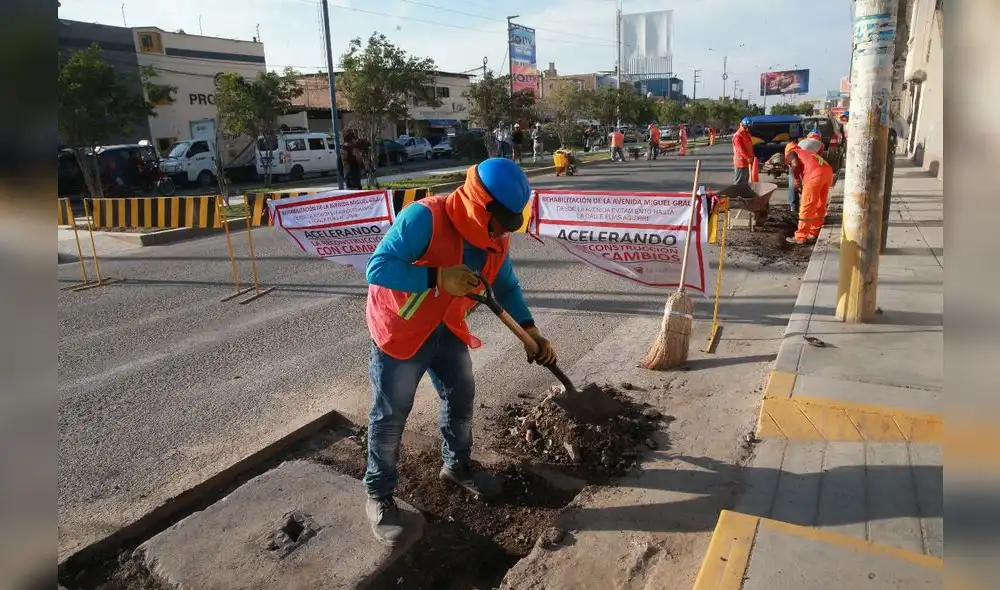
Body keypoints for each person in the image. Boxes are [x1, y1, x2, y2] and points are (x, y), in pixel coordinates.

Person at [362, 158, 558, 546]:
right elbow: (377, 267)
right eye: (499, 221)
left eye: (509, 223)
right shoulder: (426, 218)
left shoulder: (495, 239)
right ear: (478, 204)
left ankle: (457, 466)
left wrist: (532, 329)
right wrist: (436, 276)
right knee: (391, 414)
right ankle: (379, 495)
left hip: (447, 327)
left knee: (461, 393)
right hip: (401, 331)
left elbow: (506, 285)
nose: (504, 231)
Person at [785, 143, 834, 244]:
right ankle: (814, 231)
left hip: (815, 174)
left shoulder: (791, 153)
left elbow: (795, 164)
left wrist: (797, 180)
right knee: (820, 203)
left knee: (807, 204)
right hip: (828, 172)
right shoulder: (807, 153)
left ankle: (800, 236)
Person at [732, 117, 754, 184]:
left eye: (749, 127)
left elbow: (750, 147)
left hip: (747, 162)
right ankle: (735, 194)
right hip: (740, 162)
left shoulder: (747, 134)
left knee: (745, 181)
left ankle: (743, 194)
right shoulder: (737, 136)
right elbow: (740, 150)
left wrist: (752, 157)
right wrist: (748, 158)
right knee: (738, 181)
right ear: (742, 125)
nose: (748, 129)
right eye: (746, 127)